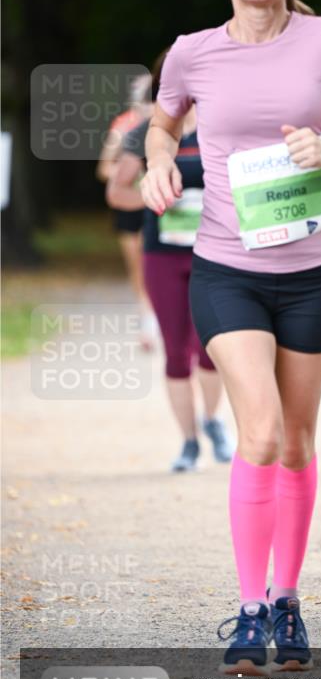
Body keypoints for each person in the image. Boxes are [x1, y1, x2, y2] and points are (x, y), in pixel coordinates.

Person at [140, 0, 321, 672]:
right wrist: (153, 161)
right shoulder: (192, 52)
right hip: (226, 270)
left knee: (300, 440)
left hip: (310, 275)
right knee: (263, 434)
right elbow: (163, 120)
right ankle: (249, 612)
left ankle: (287, 599)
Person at [107, 54, 235, 471]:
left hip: (213, 252)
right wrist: (153, 194)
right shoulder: (147, 132)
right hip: (163, 255)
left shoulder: (224, 129)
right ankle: (188, 442)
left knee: (209, 346)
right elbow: (117, 191)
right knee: (175, 351)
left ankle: (213, 421)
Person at [97, 74, 158, 351]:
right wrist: (126, 175)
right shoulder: (122, 127)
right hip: (128, 205)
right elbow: (103, 169)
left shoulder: (164, 126)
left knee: (153, 264)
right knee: (137, 269)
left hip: (154, 205)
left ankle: (156, 321)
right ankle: (147, 318)